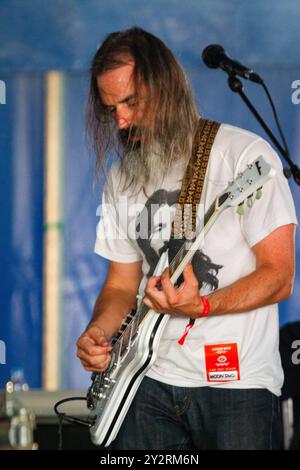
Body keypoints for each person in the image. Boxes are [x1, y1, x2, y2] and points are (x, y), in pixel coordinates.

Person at [76, 27, 297, 450]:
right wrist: (98, 333)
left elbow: (279, 276)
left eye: (130, 102)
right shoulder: (123, 178)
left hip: (236, 383)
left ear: (166, 88)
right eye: (111, 108)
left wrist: (202, 305)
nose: (120, 119)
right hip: (147, 382)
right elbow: (122, 284)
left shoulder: (244, 156)